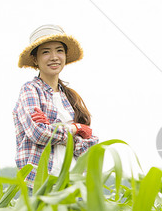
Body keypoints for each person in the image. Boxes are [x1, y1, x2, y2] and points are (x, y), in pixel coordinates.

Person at [13, 24, 99, 187]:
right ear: (35, 59)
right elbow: (37, 133)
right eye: (46, 52)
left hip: (75, 185)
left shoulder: (70, 97)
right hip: (42, 185)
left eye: (59, 50)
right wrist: (74, 129)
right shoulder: (30, 90)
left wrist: (53, 129)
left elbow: (90, 144)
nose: (54, 57)